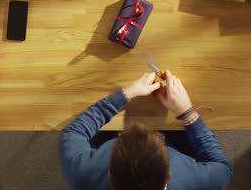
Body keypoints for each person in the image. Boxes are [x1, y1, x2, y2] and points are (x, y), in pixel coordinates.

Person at [59, 71, 233, 190]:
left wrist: (126, 94)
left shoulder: (83, 173)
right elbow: (223, 169)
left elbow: (74, 132)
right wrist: (187, 112)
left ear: (111, 173)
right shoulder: (193, 178)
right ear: (169, 175)